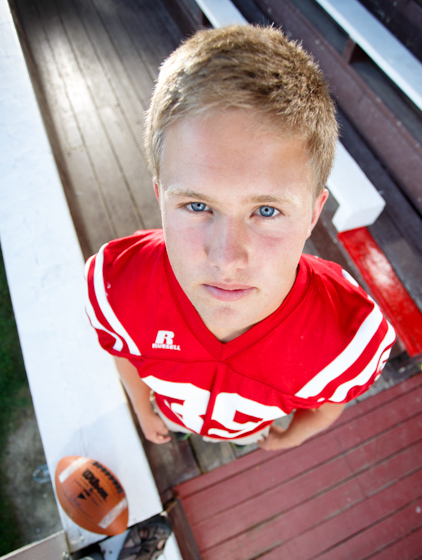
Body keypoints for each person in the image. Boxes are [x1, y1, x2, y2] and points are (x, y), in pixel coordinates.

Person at [85, 25, 395, 451]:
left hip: (250, 429)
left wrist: (290, 439)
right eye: (197, 206)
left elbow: (327, 402)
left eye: (266, 211)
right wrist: (143, 407)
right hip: (174, 414)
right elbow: (122, 349)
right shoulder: (116, 282)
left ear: (312, 214)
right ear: (161, 198)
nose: (227, 258)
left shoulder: (346, 336)